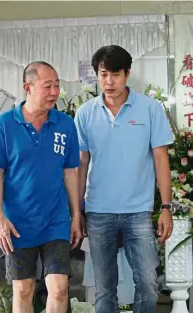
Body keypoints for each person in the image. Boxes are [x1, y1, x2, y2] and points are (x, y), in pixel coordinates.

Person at [74, 45, 174, 313]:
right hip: (98, 211)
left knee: (149, 284)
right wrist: (77, 211)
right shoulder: (85, 113)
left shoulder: (150, 109)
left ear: (127, 74)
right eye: (103, 75)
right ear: (96, 75)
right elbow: (81, 164)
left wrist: (166, 207)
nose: (109, 82)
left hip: (138, 212)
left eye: (115, 75)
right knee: (105, 289)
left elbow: (161, 160)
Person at [0, 61, 82, 313]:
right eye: (47, 86)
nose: (54, 92)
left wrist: (76, 215)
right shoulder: (5, 124)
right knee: (23, 288)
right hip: (18, 222)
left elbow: (70, 171)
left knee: (59, 288)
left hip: (56, 220)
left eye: (57, 86)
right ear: (27, 87)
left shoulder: (65, 124)